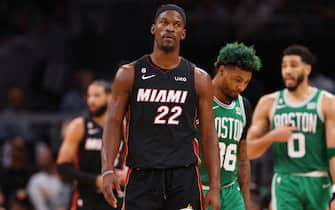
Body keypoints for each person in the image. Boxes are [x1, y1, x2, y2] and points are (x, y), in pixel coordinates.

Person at [101, 4, 221, 210]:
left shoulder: (198, 78)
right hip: (142, 173)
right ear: (153, 28)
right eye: (164, 22)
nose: (170, 28)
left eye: (177, 24)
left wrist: (215, 187)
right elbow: (112, 123)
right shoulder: (129, 74)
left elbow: (209, 135)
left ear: (183, 33)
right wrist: (107, 170)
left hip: (184, 175)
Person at [246, 44, 335, 210]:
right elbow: (249, 151)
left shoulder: (327, 102)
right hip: (285, 182)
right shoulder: (268, 102)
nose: (287, 71)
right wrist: (272, 136)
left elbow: (333, 152)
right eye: (283, 66)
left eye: (293, 65)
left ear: (307, 69)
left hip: (319, 180)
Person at [197, 42, 261, 210]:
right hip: (199, 188)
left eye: (246, 82)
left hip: (231, 191)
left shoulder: (244, 105)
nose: (241, 87)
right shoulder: (196, 99)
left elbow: (243, 159)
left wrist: (246, 200)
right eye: (237, 80)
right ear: (222, 70)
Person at [57, 80, 126, 210]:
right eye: (88, 96)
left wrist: (126, 175)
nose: (91, 101)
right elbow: (62, 167)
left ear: (110, 97)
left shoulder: (121, 127)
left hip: (115, 197)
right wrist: (95, 180)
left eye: (96, 96)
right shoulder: (79, 126)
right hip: (86, 196)